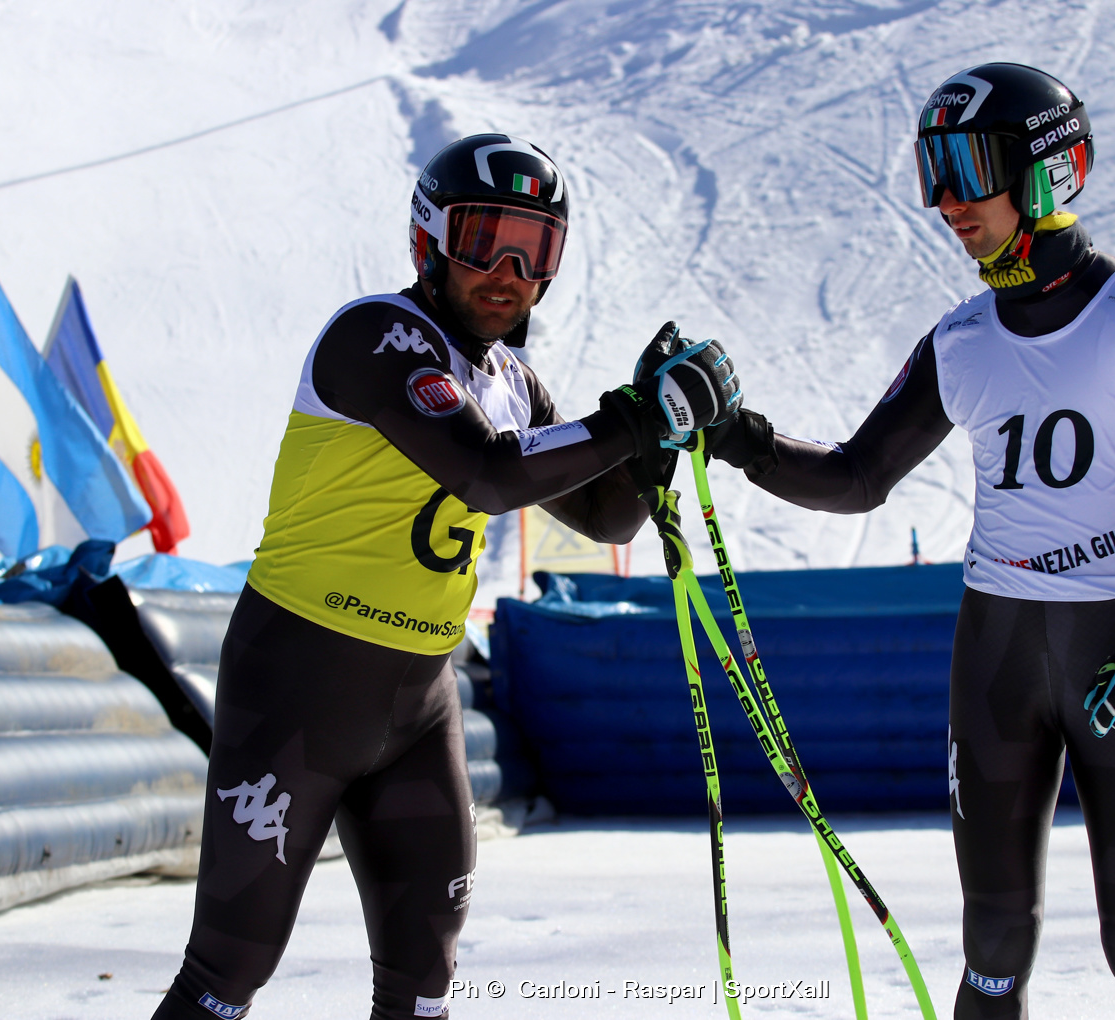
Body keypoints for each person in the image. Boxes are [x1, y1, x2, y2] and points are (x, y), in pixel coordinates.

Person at [706, 64, 1115, 1018]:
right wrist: (738, 438)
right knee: (993, 948)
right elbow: (857, 477)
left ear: (1051, 171)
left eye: (970, 169)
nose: (946, 203)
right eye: (934, 172)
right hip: (999, 655)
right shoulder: (961, 337)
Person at [152, 133, 740, 1020]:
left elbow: (605, 515)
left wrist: (657, 437)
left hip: (420, 702)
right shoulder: (375, 335)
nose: (508, 270)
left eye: (535, 248)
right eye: (486, 240)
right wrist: (627, 419)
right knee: (227, 973)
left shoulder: (513, 380)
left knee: (424, 983)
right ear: (429, 239)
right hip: (298, 685)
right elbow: (486, 473)